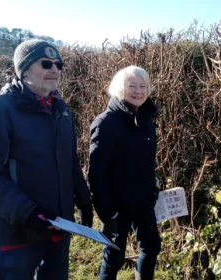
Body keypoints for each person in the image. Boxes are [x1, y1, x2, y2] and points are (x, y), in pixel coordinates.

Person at [0, 39, 93, 280]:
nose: (54, 69)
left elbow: (70, 162)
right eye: (45, 63)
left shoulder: (61, 110)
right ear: (23, 70)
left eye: (58, 64)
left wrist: (83, 200)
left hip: (58, 228)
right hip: (18, 233)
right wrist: (28, 213)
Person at [88, 65, 161, 280]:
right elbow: (96, 172)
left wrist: (152, 185)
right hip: (116, 207)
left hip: (143, 201)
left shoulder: (145, 119)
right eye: (132, 86)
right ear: (119, 89)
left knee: (152, 247)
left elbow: (146, 162)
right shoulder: (106, 123)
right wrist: (105, 212)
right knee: (114, 257)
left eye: (143, 86)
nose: (138, 91)